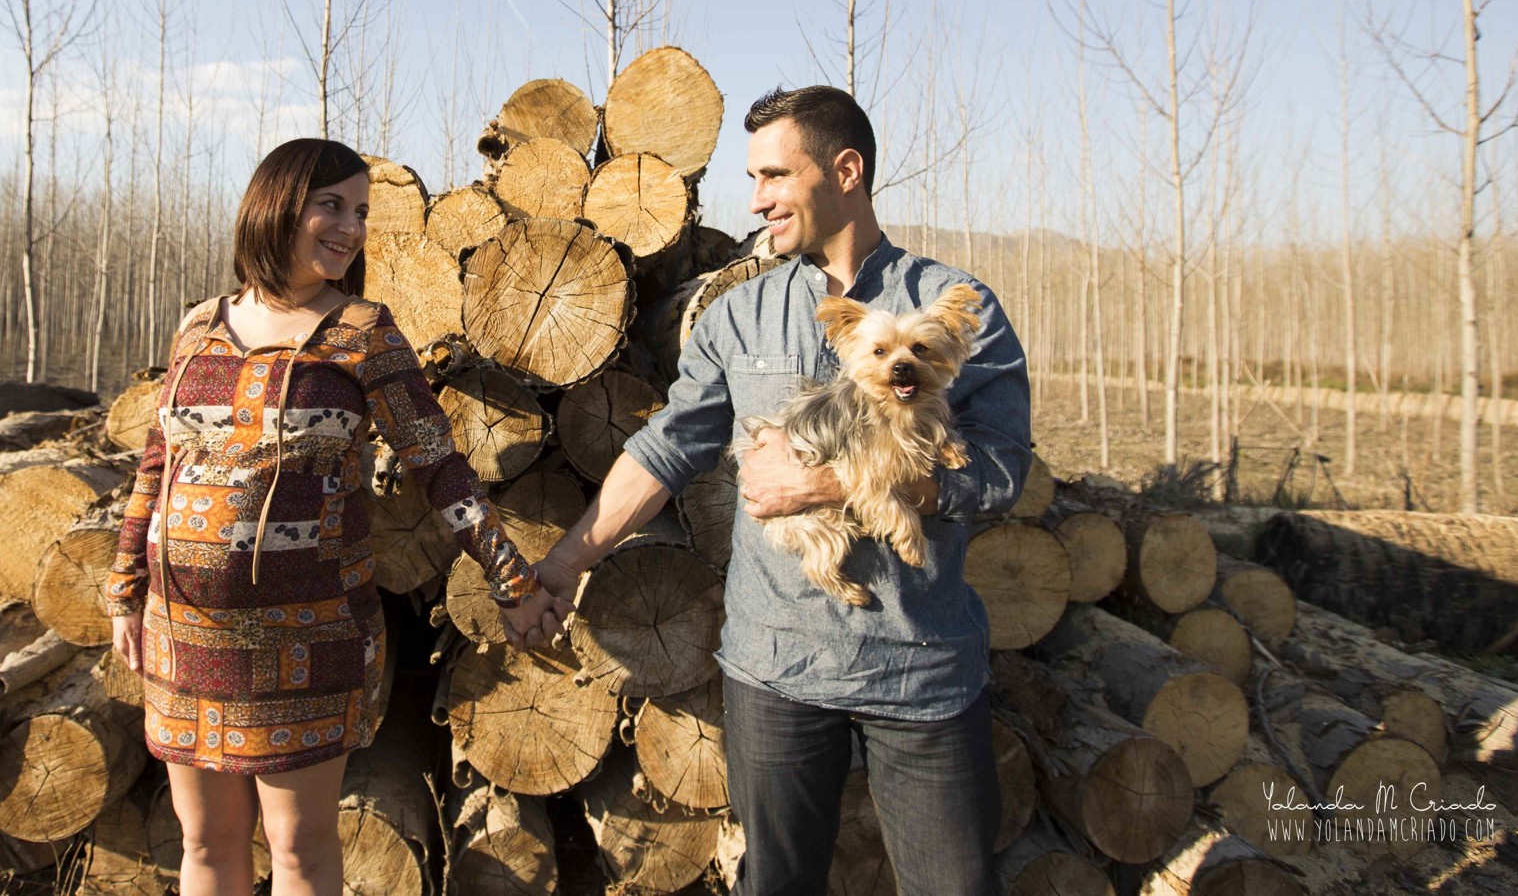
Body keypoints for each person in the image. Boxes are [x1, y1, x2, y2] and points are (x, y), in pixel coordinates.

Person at [537, 86, 1031, 896]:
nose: (757, 199)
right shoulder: (741, 316)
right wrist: (563, 564)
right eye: (752, 178)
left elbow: (1004, 469)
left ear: (846, 171)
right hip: (777, 670)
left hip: (921, 670)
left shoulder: (951, 307)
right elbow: (666, 449)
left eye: (774, 175)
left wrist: (832, 480)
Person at [107, 138, 571, 896]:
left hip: (311, 639)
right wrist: (126, 590)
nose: (352, 228)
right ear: (276, 206)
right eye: (332, 206)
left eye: (360, 211)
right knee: (206, 842)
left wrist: (511, 577)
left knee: (299, 848)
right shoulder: (198, 327)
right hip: (183, 632)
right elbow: (157, 467)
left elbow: (438, 465)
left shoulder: (363, 331)